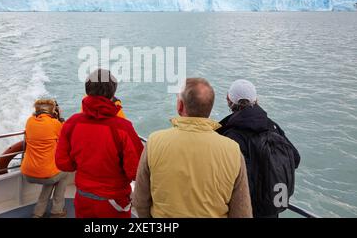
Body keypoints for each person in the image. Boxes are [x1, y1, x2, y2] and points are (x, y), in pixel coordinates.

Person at [133, 78, 252, 218]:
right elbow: (242, 211)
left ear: (180, 106)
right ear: (209, 108)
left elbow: (140, 201)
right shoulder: (233, 150)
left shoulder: (154, 142)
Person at [56, 69, 144, 218]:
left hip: (83, 198)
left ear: (87, 91)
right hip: (114, 203)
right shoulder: (123, 128)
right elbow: (135, 172)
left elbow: (64, 164)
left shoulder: (71, 123)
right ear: (112, 93)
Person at [217, 79, 301, 218]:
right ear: (256, 100)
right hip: (270, 209)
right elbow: (295, 159)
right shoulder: (272, 127)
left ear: (228, 99)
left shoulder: (229, 134)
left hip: (243, 210)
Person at [21, 99, 70, 218]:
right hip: (47, 174)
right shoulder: (55, 124)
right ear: (54, 111)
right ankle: (57, 211)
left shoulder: (29, 121)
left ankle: (38, 212)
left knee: (51, 177)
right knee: (64, 174)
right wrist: (60, 119)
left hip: (28, 172)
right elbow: (66, 138)